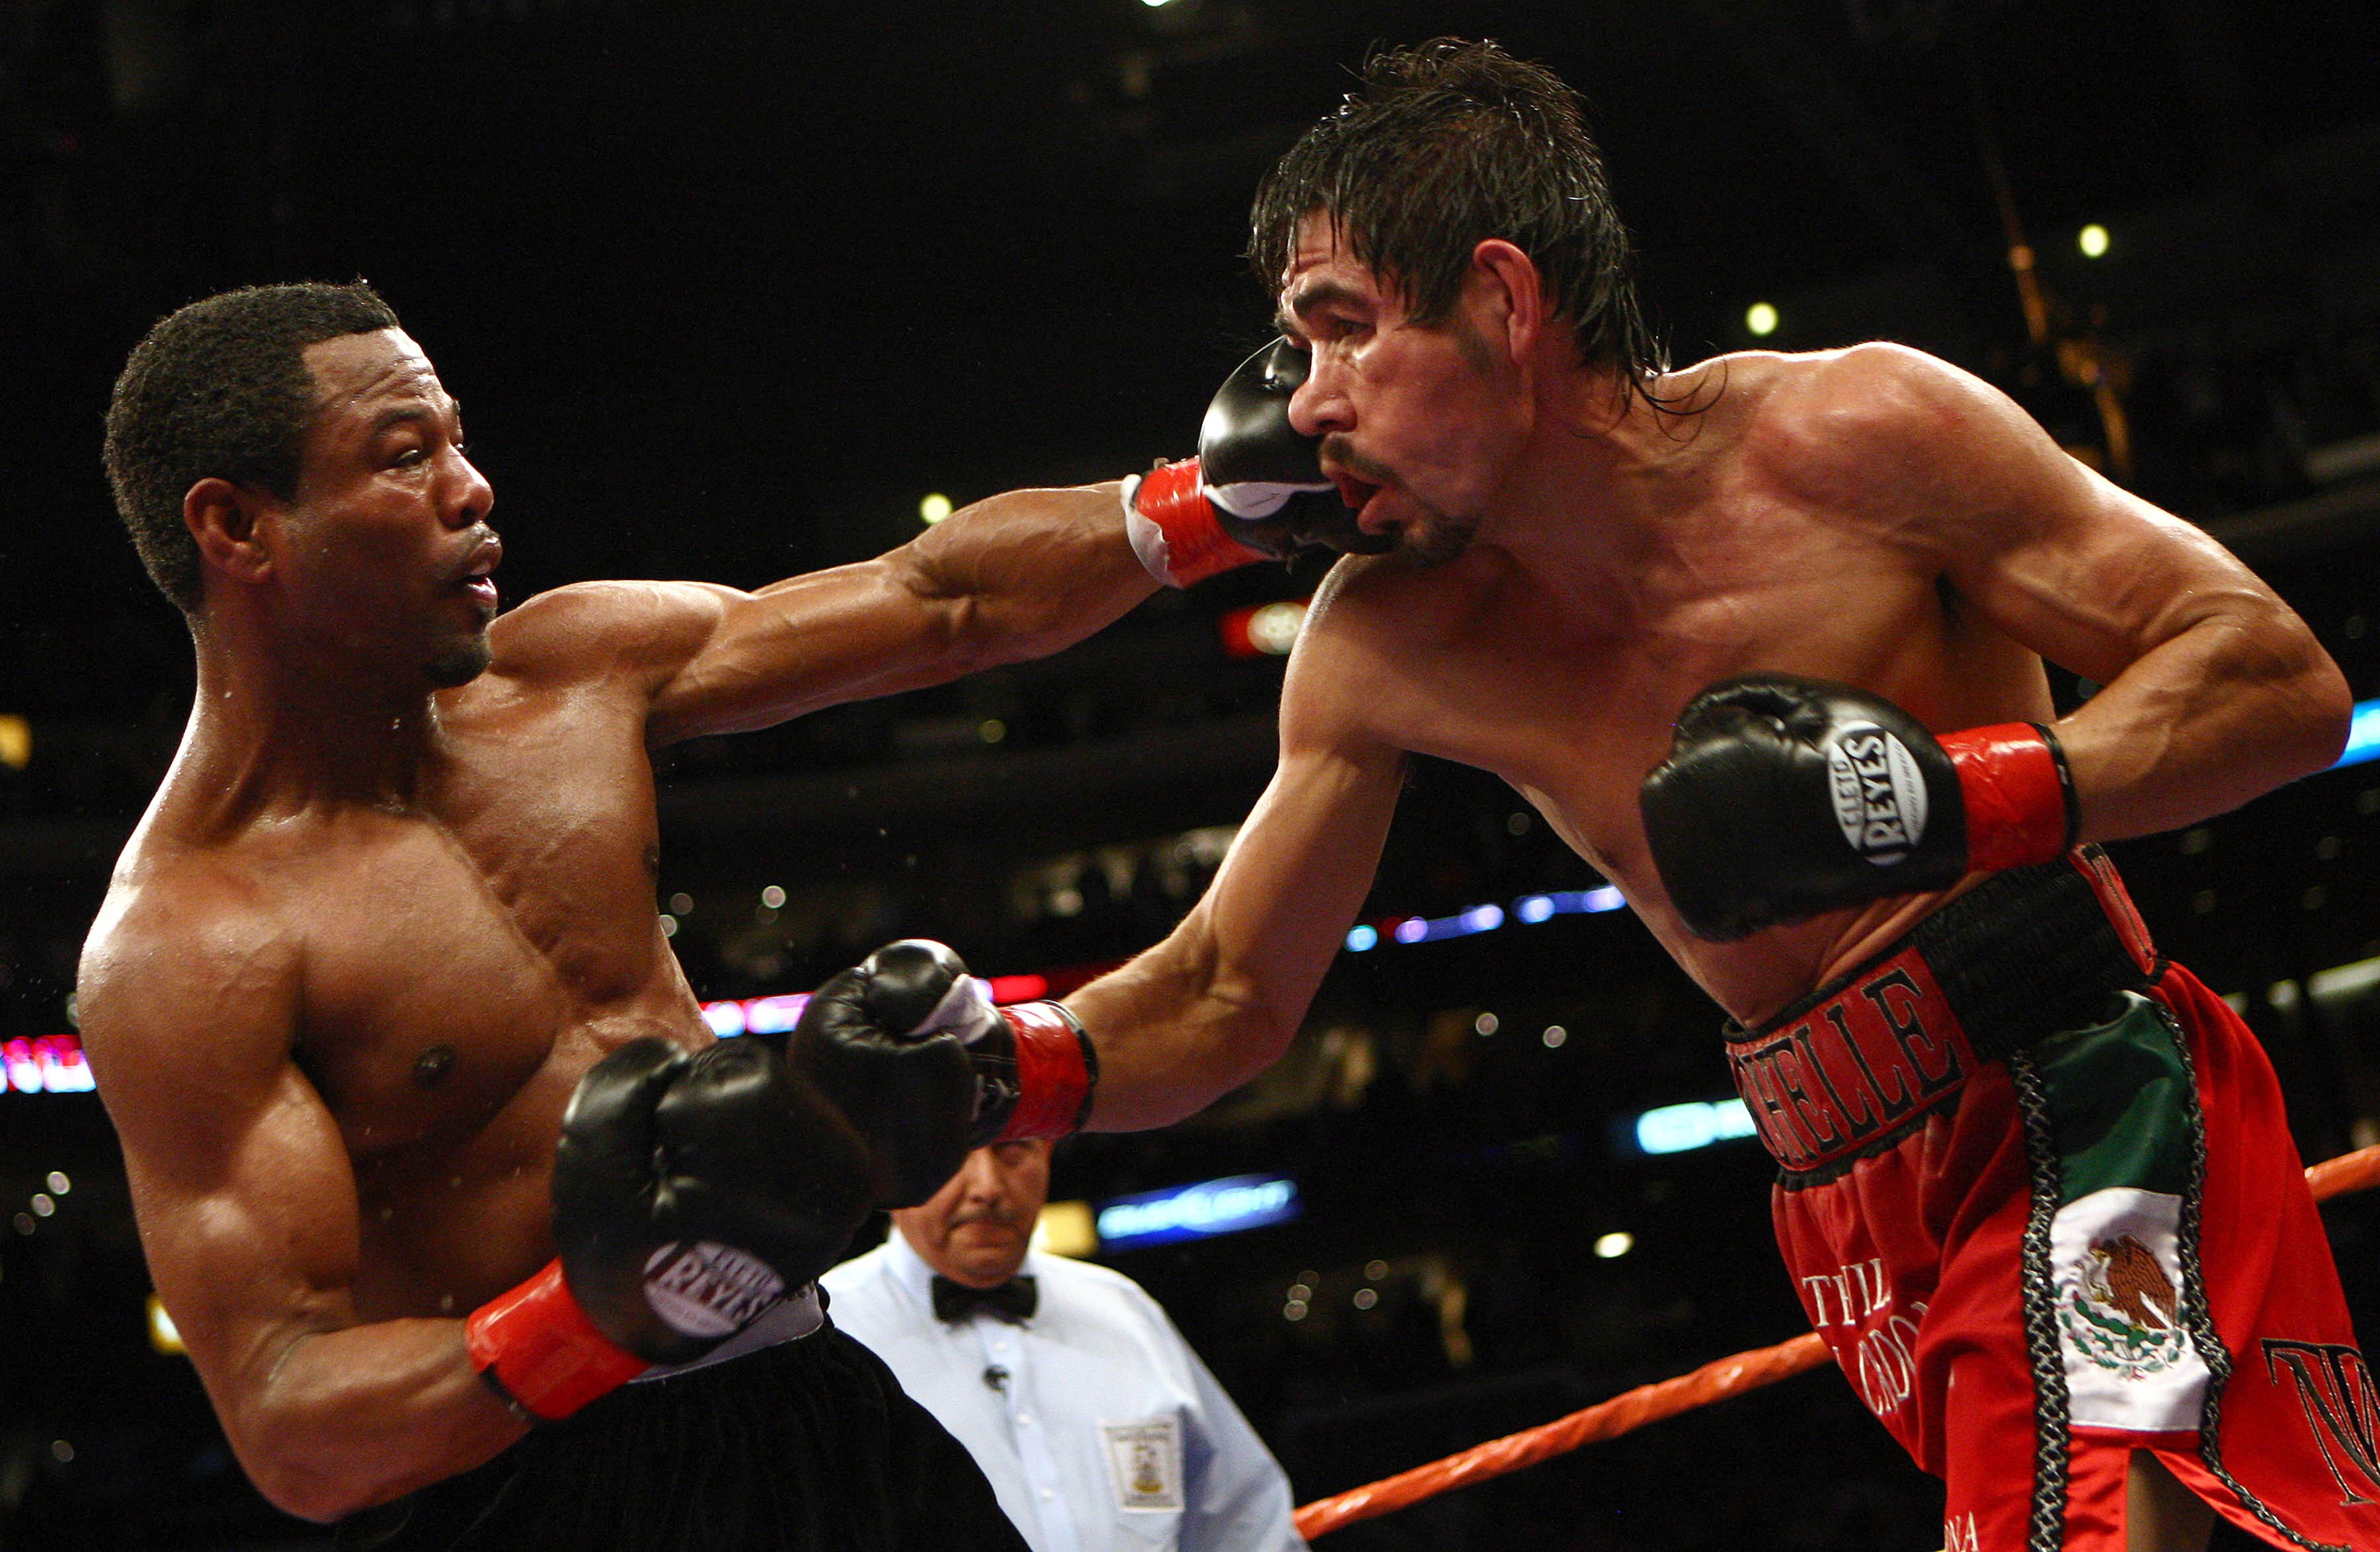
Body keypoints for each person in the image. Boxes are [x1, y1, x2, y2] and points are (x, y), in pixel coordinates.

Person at [799, 41, 2380, 1552]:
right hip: (1840, 1196)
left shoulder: (1859, 436)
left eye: (1347, 328)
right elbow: (1224, 989)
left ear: (1499, 297)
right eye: (1300, 346)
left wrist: (1948, 801)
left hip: (2079, 1086)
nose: (1313, 397)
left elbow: (2271, 680)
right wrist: (1001, 1073)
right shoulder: (1389, 636)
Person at [74, 282, 1361, 1549]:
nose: (472, 488)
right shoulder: (190, 946)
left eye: (460, 441)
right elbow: (291, 1423)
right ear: (237, 527)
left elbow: (937, 601)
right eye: (407, 457)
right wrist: (624, 1309)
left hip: (813, 1397)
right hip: (541, 1493)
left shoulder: (572, 670)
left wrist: (1202, 509)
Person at [821, 1138, 1307, 1552]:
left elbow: (1248, 1526)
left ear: (1049, 1153)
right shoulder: (824, 1333)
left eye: (1013, 1151)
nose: (987, 1186)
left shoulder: (1120, 1309)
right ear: (890, 1169)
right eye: (951, 1153)